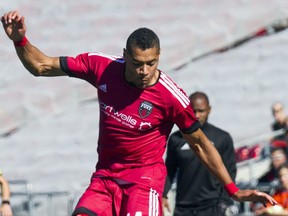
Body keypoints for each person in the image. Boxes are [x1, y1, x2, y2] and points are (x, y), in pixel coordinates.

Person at [1, 10, 278, 216]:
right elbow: (42, 66)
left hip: (143, 183)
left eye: (151, 63)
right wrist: (20, 40)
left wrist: (233, 190)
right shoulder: (102, 67)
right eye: (136, 64)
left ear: (158, 57)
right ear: (125, 55)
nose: (144, 71)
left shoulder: (172, 97)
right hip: (105, 179)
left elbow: (201, 145)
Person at [162, 91, 237, 216]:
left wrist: (224, 202)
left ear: (209, 110)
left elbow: (230, 171)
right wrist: (163, 194)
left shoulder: (222, 138)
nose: (197, 115)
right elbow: (169, 170)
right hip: (183, 207)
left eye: (201, 111)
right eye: (193, 110)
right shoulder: (176, 139)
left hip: (212, 206)